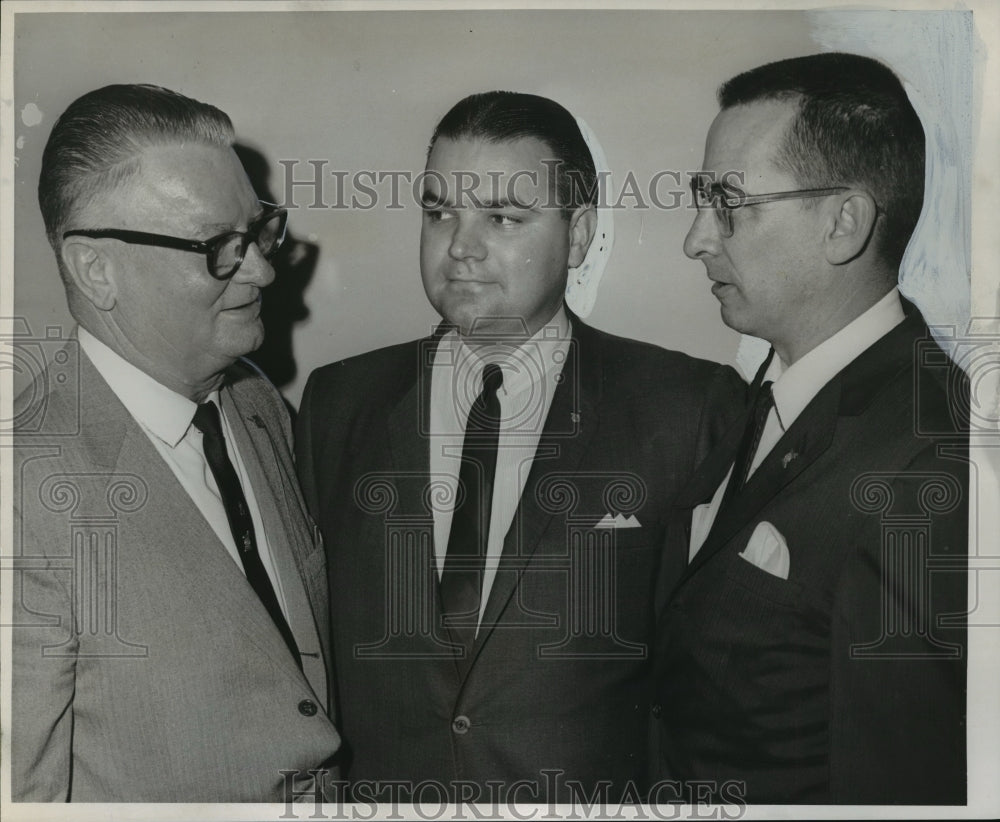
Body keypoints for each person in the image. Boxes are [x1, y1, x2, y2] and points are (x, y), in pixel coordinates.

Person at [295, 91, 745, 803]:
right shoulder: (338, 403)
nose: (461, 247)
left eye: (503, 217)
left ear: (577, 234)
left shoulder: (685, 407)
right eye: (440, 211)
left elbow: (713, 689)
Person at [651, 53, 968, 804]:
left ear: (843, 223)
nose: (696, 239)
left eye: (729, 202)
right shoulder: (759, 396)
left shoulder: (930, 463)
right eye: (701, 199)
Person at [10, 84, 340, 802]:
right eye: (219, 247)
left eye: (258, 232)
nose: (261, 269)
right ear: (96, 268)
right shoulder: (21, 496)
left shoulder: (256, 404)